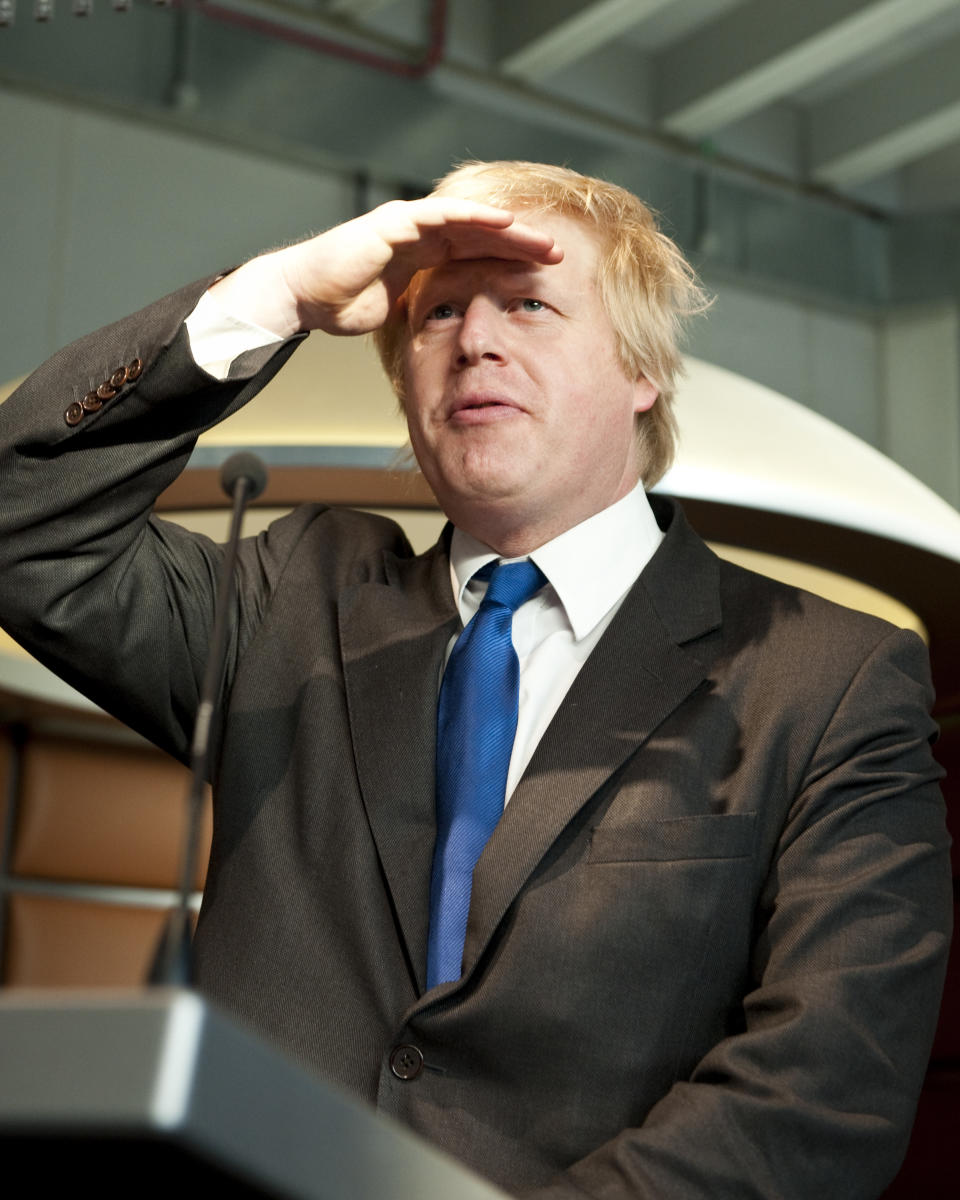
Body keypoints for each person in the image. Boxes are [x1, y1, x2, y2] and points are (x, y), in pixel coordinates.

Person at [0, 160, 951, 1199]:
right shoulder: (290, 602)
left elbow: (825, 1087)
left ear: (644, 371)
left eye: (530, 304)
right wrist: (272, 296)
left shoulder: (827, 675)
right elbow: (23, 527)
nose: (475, 341)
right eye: (438, 311)